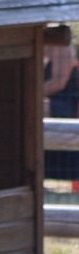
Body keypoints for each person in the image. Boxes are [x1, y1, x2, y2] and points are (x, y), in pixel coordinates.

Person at [45, 40, 79, 179]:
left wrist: (28, 95)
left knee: (42, 108)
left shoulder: (60, 45)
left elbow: (58, 83)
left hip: (65, 102)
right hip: (48, 99)